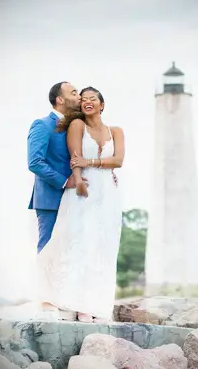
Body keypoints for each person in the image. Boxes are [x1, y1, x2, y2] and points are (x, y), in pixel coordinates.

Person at [38, 86, 125, 323]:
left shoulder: (116, 130)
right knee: (79, 243)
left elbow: (118, 160)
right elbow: (75, 158)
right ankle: (77, 304)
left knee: (103, 246)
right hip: (83, 189)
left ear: (102, 104)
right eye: (83, 99)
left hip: (108, 193)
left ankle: (97, 303)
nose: (87, 101)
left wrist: (93, 161)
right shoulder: (77, 126)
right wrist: (78, 181)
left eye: (92, 99)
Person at [27, 81, 88, 320]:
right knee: (49, 247)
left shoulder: (77, 126)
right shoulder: (42, 125)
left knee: (71, 250)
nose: (78, 96)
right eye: (73, 92)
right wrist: (65, 181)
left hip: (75, 200)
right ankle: (46, 300)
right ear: (59, 99)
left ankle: (66, 298)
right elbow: (35, 162)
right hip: (51, 197)